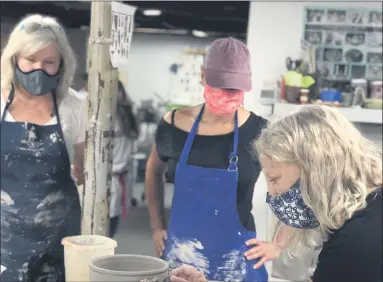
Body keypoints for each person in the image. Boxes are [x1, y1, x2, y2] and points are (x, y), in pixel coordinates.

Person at [170, 104, 382, 282]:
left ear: (316, 170)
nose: (272, 193)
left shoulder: (357, 243)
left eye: (275, 179)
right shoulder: (367, 211)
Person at [146, 37, 285, 281]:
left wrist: (278, 245)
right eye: (222, 87)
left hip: (235, 264)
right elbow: (152, 171)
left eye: (235, 89)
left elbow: (295, 188)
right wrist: (157, 226)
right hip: (182, 260)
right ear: (203, 76)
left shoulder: (260, 132)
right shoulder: (173, 125)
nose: (229, 95)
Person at [1, 15, 85, 281]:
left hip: (58, 240)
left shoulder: (73, 106)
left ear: (62, 65)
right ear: (14, 59)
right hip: (4, 242)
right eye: (30, 60)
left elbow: (84, 171)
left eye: (49, 62)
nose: (39, 69)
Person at [79, 75, 139, 237]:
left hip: (106, 181)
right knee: (104, 234)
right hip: (110, 179)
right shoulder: (123, 112)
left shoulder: (108, 116)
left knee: (101, 235)